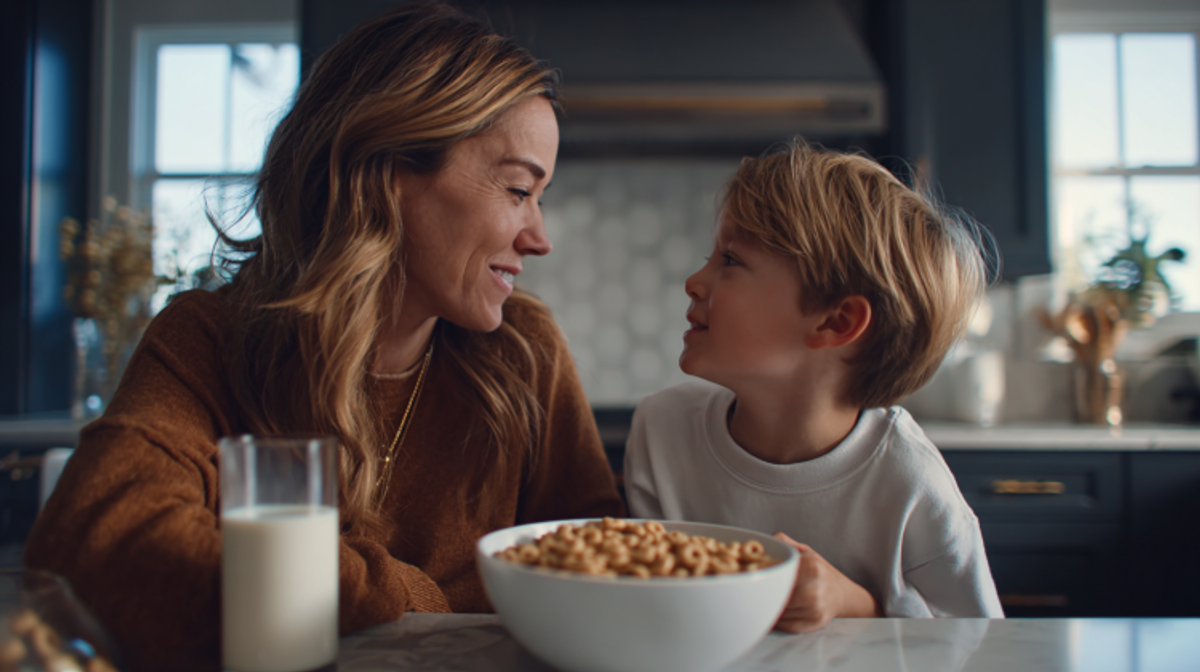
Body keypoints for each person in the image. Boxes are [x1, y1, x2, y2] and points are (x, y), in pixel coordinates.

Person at [25, 4, 623, 671]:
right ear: (388, 169)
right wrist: (401, 592)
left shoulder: (523, 351)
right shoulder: (208, 340)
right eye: (518, 189)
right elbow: (96, 542)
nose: (538, 237)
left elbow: (609, 569)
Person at [624, 140, 1004, 633]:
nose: (695, 281)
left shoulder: (911, 483)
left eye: (732, 261)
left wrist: (856, 603)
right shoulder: (661, 432)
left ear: (837, 320)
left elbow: (982, 647)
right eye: (710, 256)